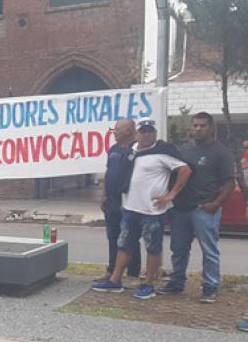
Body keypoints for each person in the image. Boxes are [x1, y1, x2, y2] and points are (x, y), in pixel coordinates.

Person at [92, 118, 192, 299]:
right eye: (143, 131)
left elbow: (185, 170)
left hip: (152, 211)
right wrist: (122, 200)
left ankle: (148, 284)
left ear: (155, 133)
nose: (146, 134)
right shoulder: (131, 152)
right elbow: (124, 177)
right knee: (124, 245)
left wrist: (171, 195)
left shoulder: (164, 151)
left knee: (152, 247)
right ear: (136, 133)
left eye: (150, 131)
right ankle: (115, 280)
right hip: (130, 209)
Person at [158, 112, 236, 303]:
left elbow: (229, 183)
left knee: (209, 250)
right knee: (178, 248)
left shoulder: (221, 152)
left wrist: (216, 204)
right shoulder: (182, 150)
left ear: (211, 128)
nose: (198, 129)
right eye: (195, 125)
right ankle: (176, 283)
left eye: (203, 125)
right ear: (190, 128)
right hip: (180, 209)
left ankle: (210, 287)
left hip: (205, 209)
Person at [96, 119, 142, 284]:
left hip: (127, 202)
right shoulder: (113, 149)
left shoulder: (137, 150)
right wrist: (103, 194)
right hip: (111, 201)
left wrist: (128, 199)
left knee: (130, 237)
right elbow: (109, 172)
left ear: (129, 131)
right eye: (113, 130)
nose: (114, 133)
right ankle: (112, 270)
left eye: (117, 130)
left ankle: (132, 274)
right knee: (112, 236)